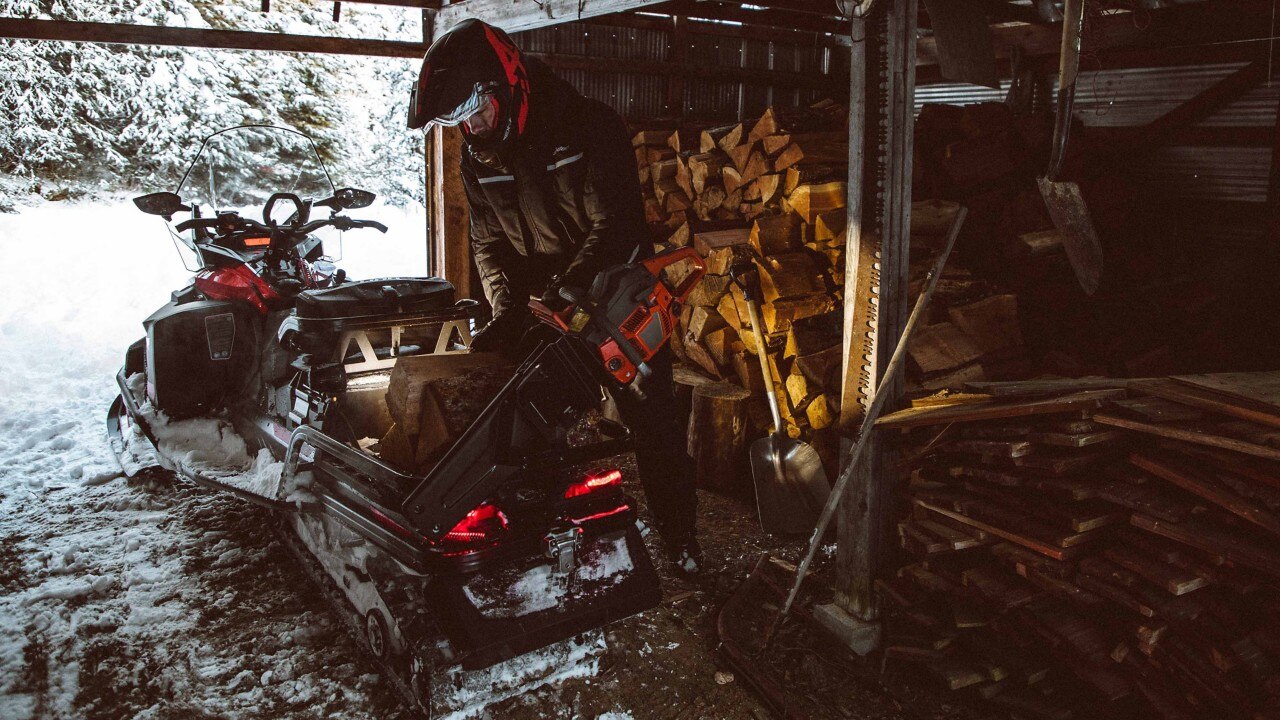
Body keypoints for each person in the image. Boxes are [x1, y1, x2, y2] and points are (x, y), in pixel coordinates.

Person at [407, 19, 701, 575]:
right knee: (514, 406)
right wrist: (507, 308)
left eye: (478, 109)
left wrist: (567, 295)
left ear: (509, 83)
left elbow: (615, 225)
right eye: (458, 120)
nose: (472, 127)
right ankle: (530, 532)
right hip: (546, 294)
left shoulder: (588, 126)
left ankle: (681, 538)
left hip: (613, 284)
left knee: (652, 417)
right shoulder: (478, 157)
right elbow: (490, 245)